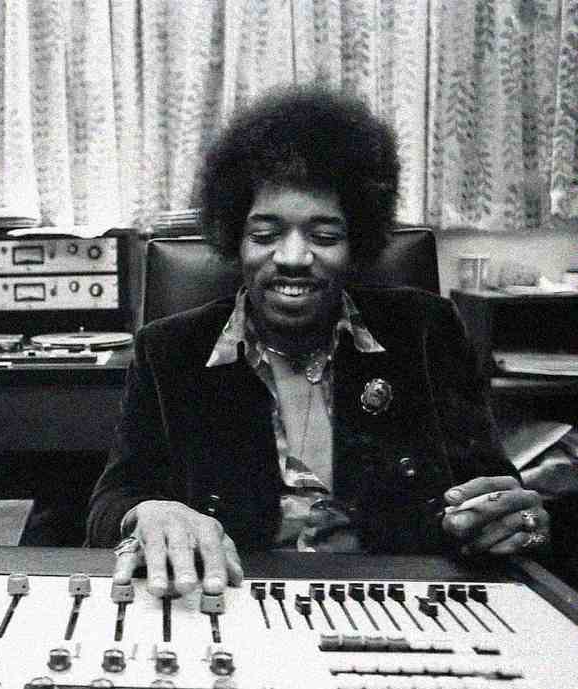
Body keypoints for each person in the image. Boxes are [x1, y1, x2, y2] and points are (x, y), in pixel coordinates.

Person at [87, 84, 554, 597]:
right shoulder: (169, 349)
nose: (292, 257)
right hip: (232, 601)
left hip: (397, 602)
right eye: (265, 234)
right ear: (233, 238)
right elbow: (112, 502)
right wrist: (148, 512)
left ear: (357, 242)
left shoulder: (426, 331)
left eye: (324, 236)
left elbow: (493, 491)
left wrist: (513, 520)